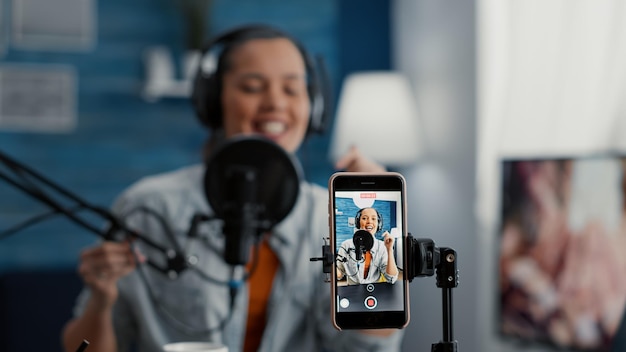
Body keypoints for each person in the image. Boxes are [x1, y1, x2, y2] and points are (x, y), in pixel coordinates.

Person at [61, 24, 402, 352]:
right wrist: (100, 304)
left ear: (312, 105)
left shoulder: (329, 217)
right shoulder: (148, 207)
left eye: (292, 88)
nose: (276, 103)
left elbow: (366, 347)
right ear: (213, 101)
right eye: (253, 87)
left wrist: (372, 220)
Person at [336, 207, 398, 285]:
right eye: (364, 218)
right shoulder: (346, 245)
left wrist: (389, 250)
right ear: (358, 222)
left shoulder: (382, 246)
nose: (369, 222)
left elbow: (391, 278)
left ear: (378, 224)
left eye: (373, 219)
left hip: (374, 292)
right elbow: (339, 274)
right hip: (352, 292)